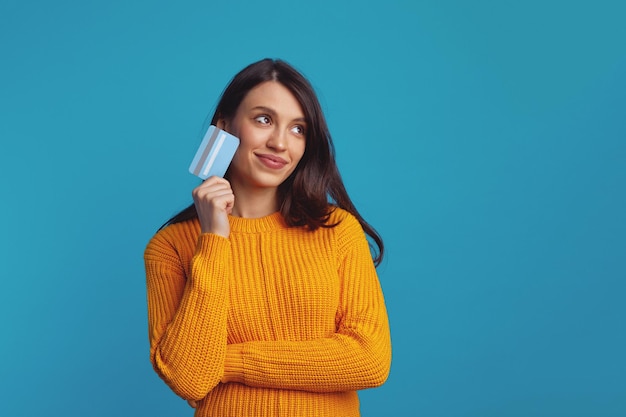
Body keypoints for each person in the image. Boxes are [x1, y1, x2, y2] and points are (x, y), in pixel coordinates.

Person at [144, 58, 391, 417]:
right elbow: (189, 379)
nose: (279, 142)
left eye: (298, 129)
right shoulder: (171, 247)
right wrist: (213, 238)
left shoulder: (337, 231)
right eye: (264, 120)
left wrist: (226, 362)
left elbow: (369, 361)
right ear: (225, 127)